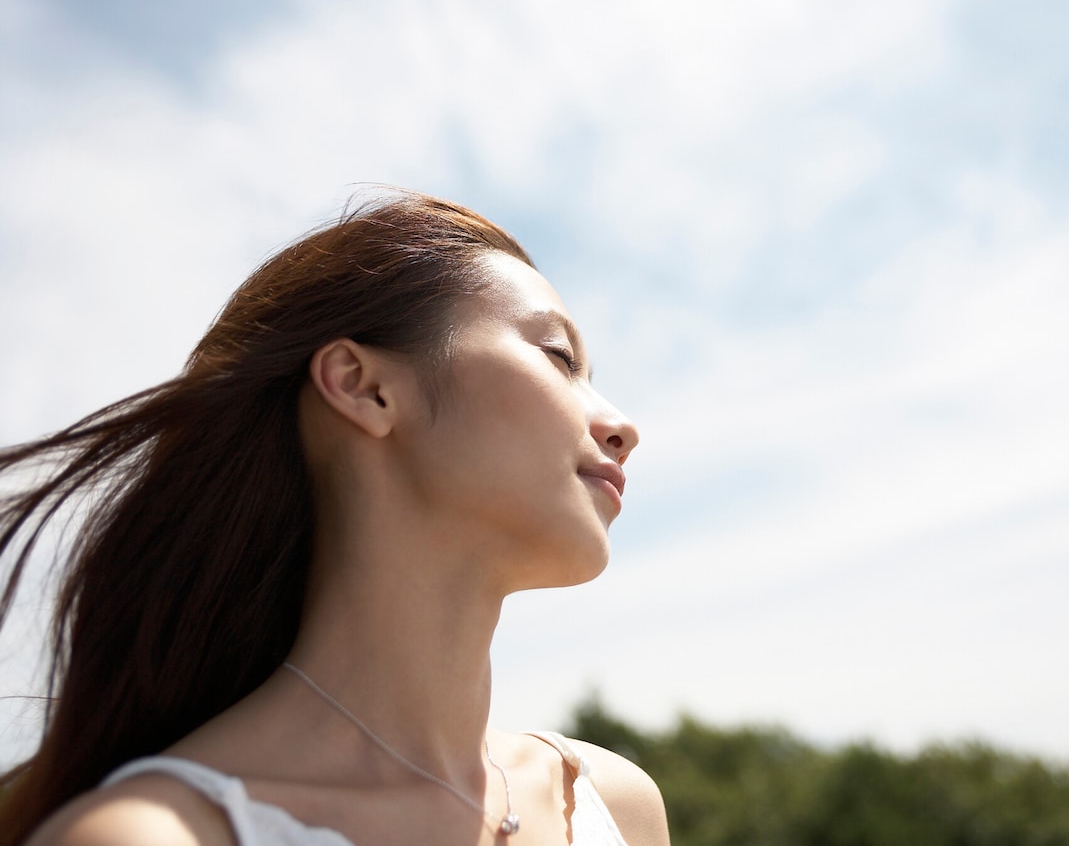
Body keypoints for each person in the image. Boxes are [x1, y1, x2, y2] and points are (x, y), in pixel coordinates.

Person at [0, 190, 670, 845]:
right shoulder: (157, 834)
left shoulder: (604, 803)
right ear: (363, 385)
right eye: (558, 357)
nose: (621, 425)